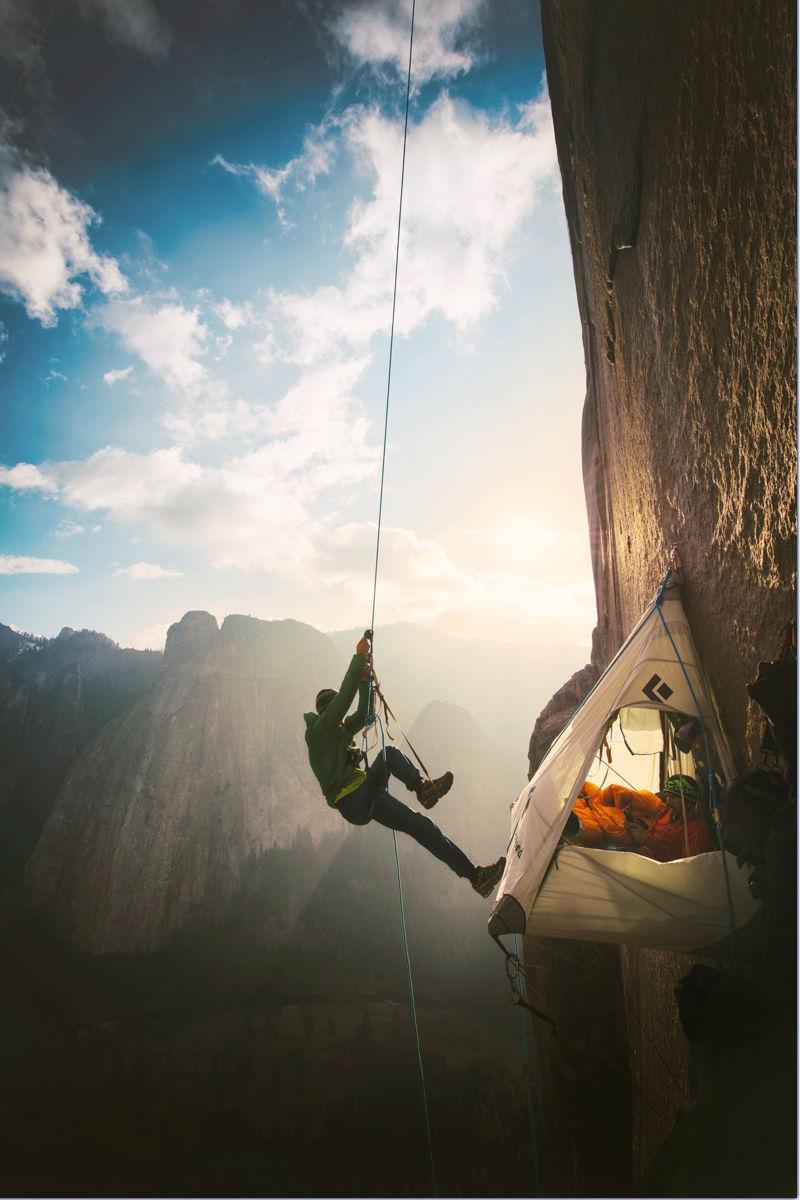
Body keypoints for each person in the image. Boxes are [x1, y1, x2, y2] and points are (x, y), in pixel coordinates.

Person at [304, 634, 506, 897]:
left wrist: (365, 681)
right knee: (420, 826)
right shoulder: (320, 733)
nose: (343, 721)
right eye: (337, 715)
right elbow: (343, 701)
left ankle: (422, 789)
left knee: (390, 754)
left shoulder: (337, 731)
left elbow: (364, 714)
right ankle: (475, 875)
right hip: (355, 801)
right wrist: (358, 659)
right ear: (327, 713)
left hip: (363, 789)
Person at [625, 774, 714, 861]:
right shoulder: (665, 813)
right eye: (667, 796)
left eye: (673, 797)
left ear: (688, 800)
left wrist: (648, 840)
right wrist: (637, 834)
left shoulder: (696, 830)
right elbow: (650, 835)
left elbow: (686, 867)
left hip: (659, 869)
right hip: (641, 856)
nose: (668, 803)